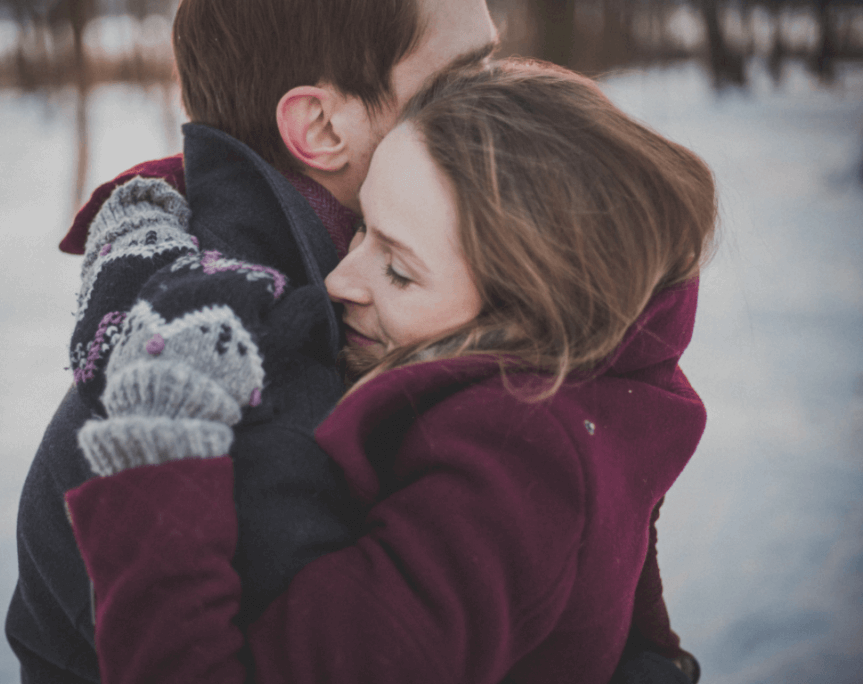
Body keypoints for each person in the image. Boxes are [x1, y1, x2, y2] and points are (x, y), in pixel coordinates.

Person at [64, 60, 717, 684]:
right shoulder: (605, 383)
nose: (340, 280)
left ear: (529, 315)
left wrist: (159, 448)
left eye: (399, 270)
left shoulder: (511, 475)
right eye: (361, 228)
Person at [5, 0, 499, 681]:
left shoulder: (359, 298)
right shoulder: (250, 397)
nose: (507, 101)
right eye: (464, 78)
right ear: (321, 126)